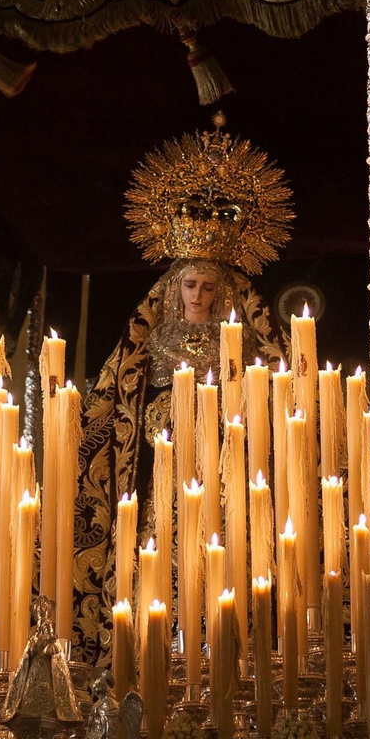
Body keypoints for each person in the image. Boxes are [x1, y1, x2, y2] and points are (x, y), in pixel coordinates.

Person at [69, 127, 293, 667]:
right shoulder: (153, 341)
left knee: (227, 546)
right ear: (175, 288)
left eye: (209, 287)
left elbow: (276, 393)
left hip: (223, 466)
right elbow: (112, 398)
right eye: (190, 285)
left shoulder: (239, 342)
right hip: (164, 462)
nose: (198, 296)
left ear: (225, 293)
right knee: (160, 546)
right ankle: (158, 645)